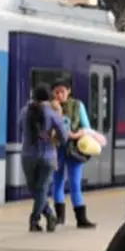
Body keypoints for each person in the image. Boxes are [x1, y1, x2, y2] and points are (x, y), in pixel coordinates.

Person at [18, 83, 67, 232]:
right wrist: (55, 140)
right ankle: (37, 219)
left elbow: (20, 126)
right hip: (47, 155)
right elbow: (64, 136)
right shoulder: (52, 113)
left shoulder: (24, 112)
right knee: (42, 189)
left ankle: (46, 217)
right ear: (49, 98)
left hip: (27, 155)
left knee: (36, 190)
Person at [51, 80, 96, 229]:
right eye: (56, 92)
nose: (59, 95)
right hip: (56, 149)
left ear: (68, 91)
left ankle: (81, 219)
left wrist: (74, 135)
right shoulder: (51, 107)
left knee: (75, 183)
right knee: (57, 183)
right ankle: (59, 217)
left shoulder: (78, 106)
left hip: (74, 150)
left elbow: (87, 128)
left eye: (62, 91)